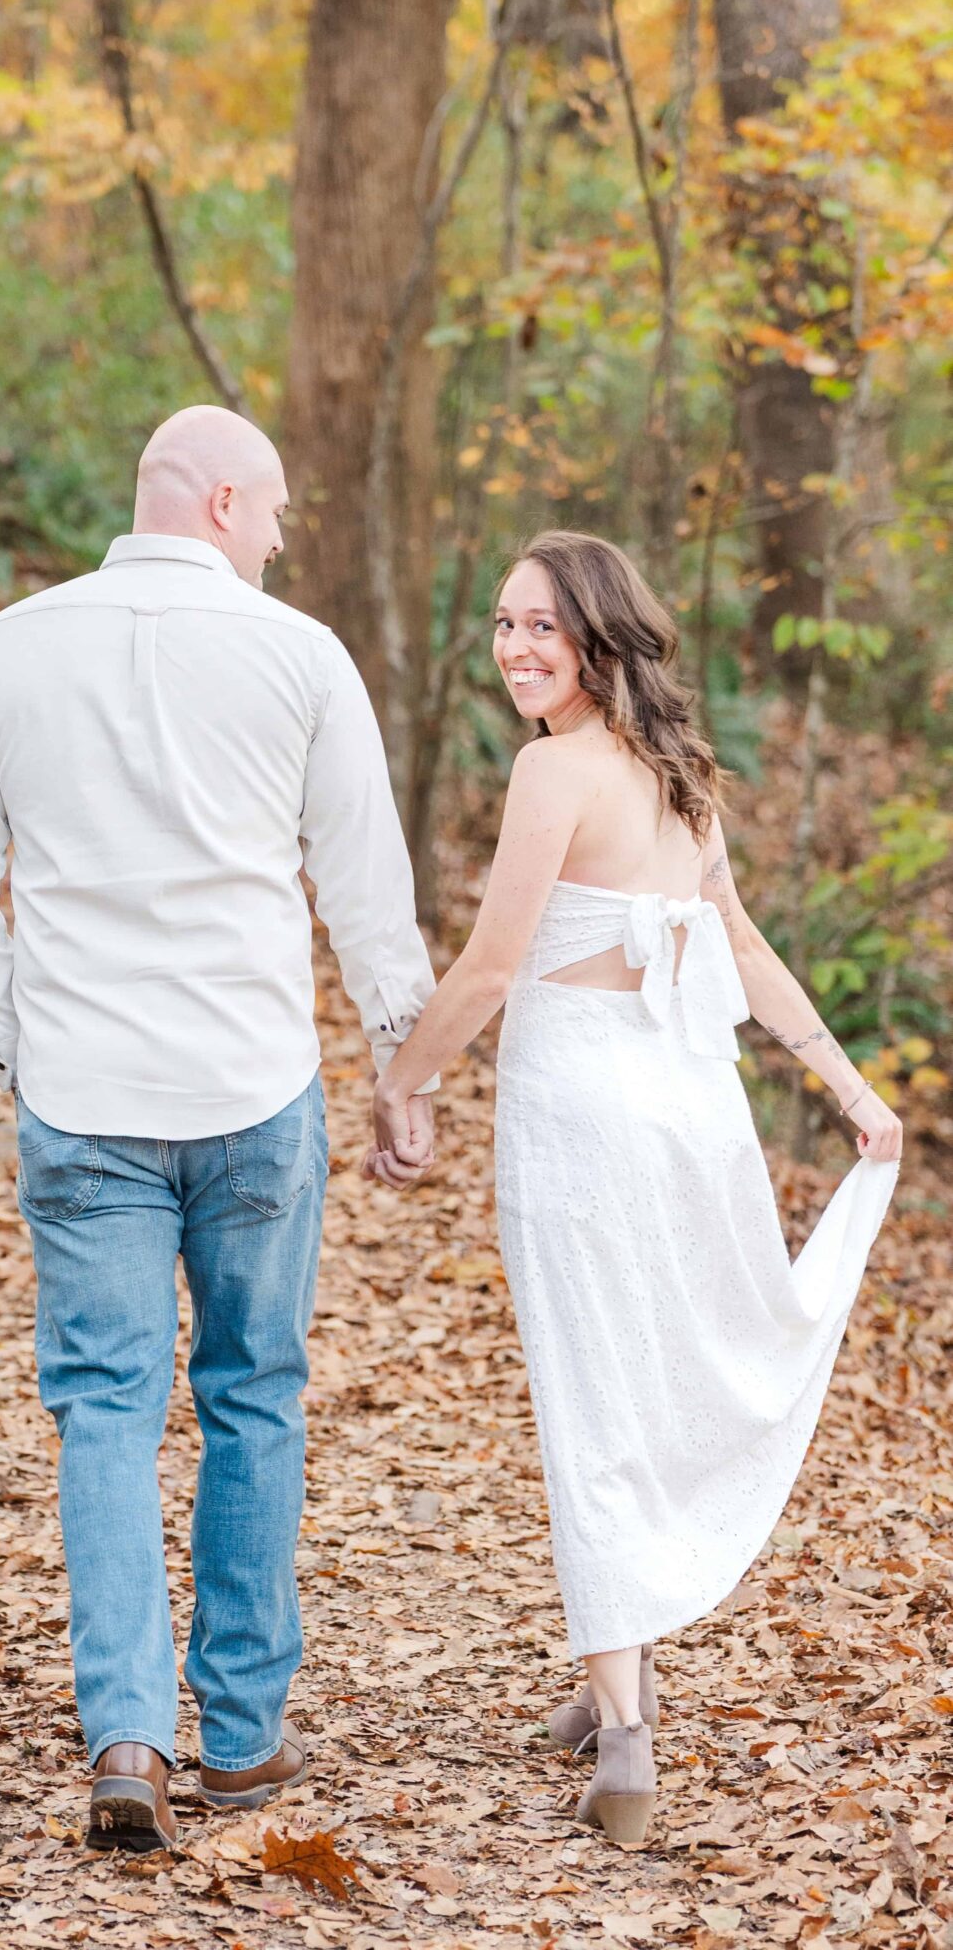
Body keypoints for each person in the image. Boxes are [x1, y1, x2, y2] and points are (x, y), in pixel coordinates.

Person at [0, 406, 435, 1852]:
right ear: (217, 499)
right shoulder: (300, 656)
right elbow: (365, 889)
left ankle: (129, 1738)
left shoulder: (5, 650)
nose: (281, 537)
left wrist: (22, 1043)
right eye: (273, 511)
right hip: (256, 1094)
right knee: (255, 1391)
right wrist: (406, 1065)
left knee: (106, 1410)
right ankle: (247, 1738)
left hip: (84, 1098)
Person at [364, 530, 900, 1848]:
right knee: (644, 1377)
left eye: (543, 626)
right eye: (502, 625)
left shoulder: (555, 772)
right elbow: (740, 940)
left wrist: (404, 1083)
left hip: (592, 1115)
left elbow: (492, 968)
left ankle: (628, 1741)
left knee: (593, 1395)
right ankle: (621, 1666)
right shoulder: (676, 772)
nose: (516, 649)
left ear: (601, 639)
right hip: (692, 1111)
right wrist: (845, 1085)